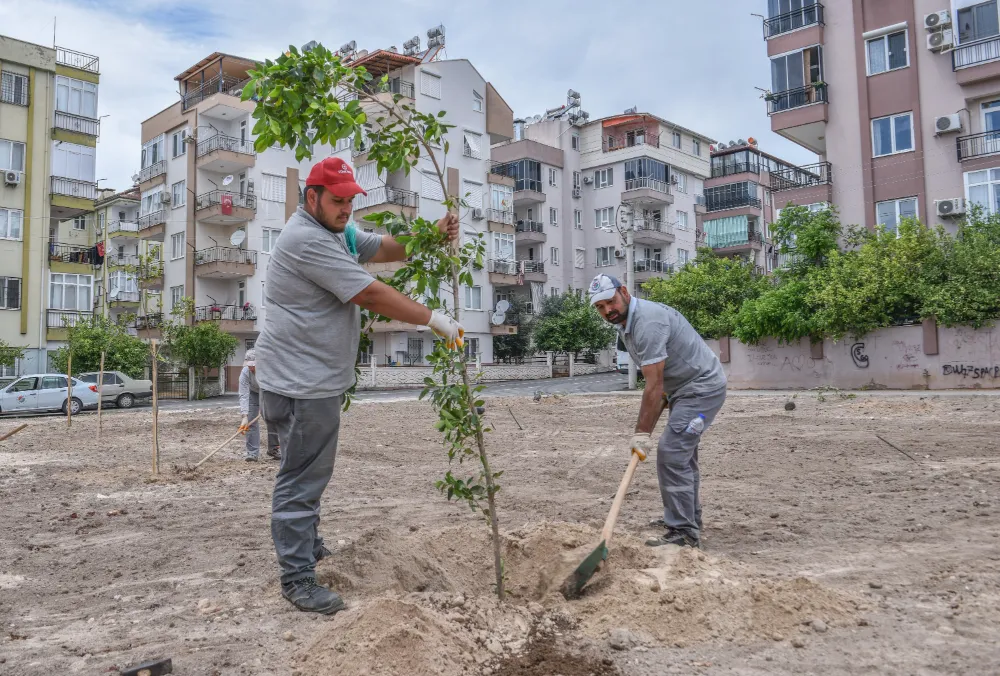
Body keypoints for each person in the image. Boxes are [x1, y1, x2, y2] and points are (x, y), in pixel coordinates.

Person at [255, 156, 464, 615]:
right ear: (312, 197)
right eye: (338, 201)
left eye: (351, 201)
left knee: (307, 472)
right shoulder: (306, 239)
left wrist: (430, 235)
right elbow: (369, 291)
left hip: (309, 379)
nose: (347, 209)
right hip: (299, 383)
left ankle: (307, 548)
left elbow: (383, 248)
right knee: (301, 478)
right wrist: (434, 319)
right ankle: (297, 578)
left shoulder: (335, 231)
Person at [589, 274, 727, 549]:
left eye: (610, 302)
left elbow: (654, 384)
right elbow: (660, 385)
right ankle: (688, 519)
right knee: (682, 455)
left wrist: (642, 433)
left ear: (624, 292)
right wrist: (648, 424)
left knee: (672, 453)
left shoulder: (648, 322)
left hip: (702, 392)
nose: (607, 311)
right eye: (600, 307)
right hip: (683, 391)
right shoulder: (627, 323)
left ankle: (683, 532)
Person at [237, 349, 280, 462]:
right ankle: (252, 453)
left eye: (253, 365)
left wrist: (269, 406)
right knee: (250, 421)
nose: (251, 368)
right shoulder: (245, 372)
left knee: (272, 418)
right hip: (252, 393)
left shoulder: (269, 371)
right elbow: (243, 394)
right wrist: (244, 416)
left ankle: (274, 449)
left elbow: (276, 388)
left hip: (268, 392)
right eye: (249, 365)